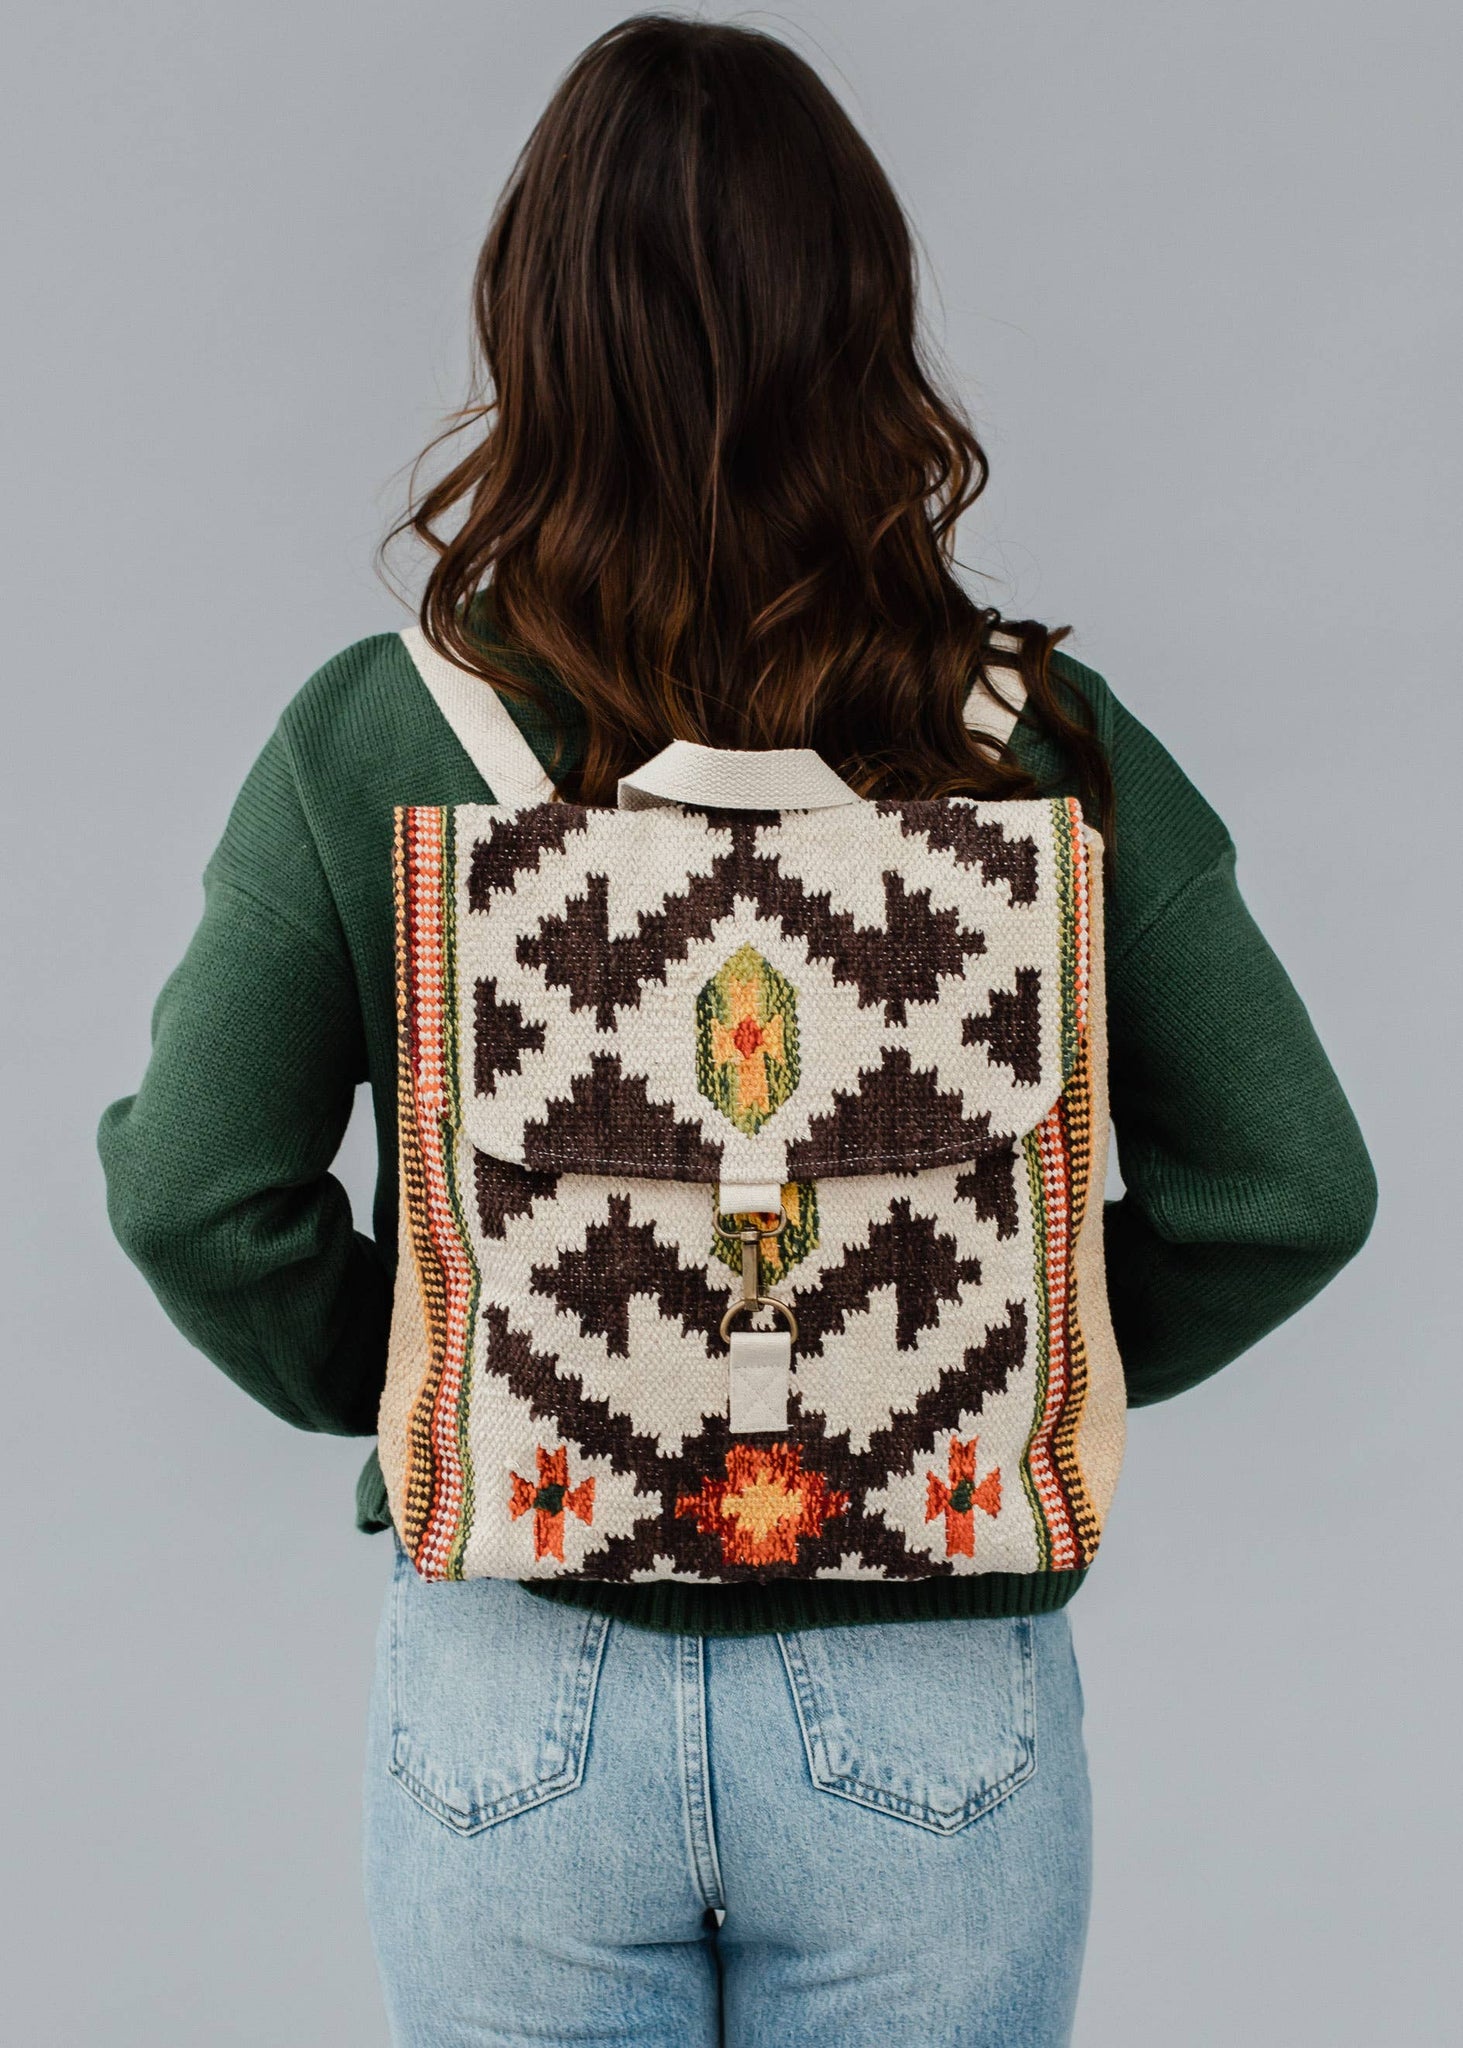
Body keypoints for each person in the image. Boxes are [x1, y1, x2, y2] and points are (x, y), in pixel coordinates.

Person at [97, 16, 1377, 2046]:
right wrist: (1011, 1325)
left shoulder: (373, 742)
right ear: (865, 328)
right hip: (931, 1688)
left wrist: (458, 1365)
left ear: (527, 326)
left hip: (522, 1681)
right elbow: (1290, 1186)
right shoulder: (1031, 746)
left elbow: (192, 1190)